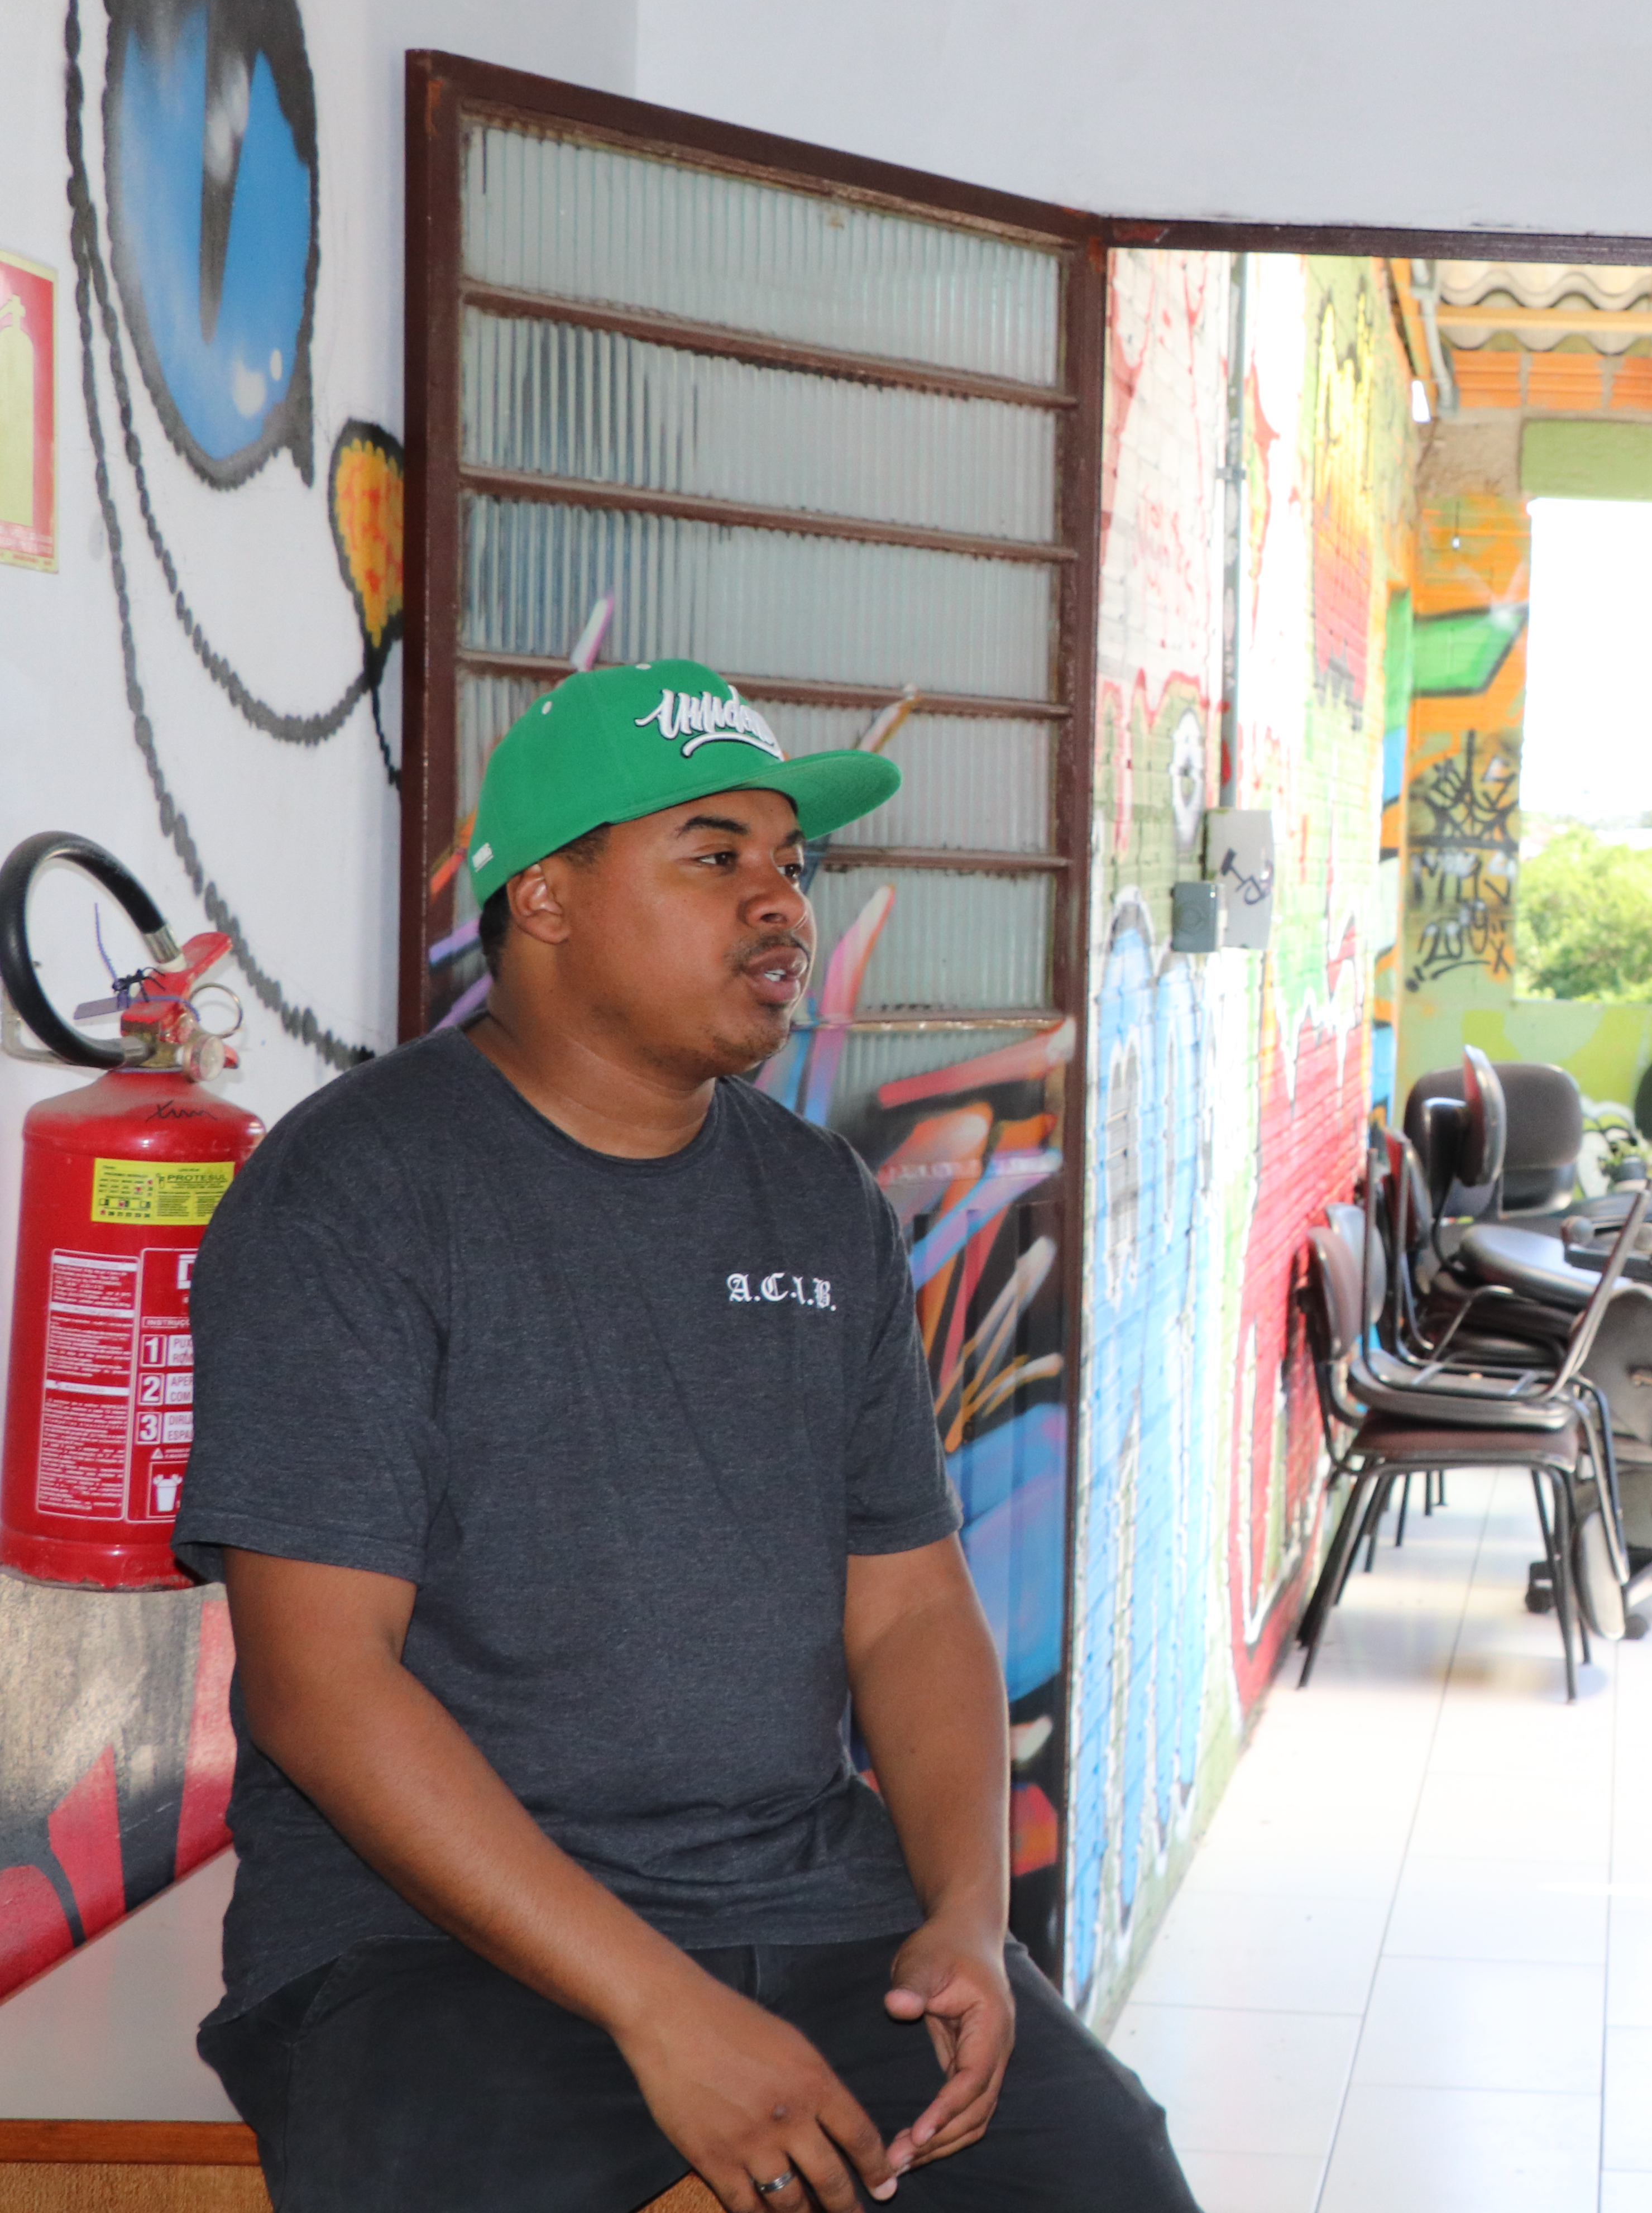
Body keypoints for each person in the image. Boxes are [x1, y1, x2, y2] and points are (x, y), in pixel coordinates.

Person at [173, 661, 1198, 2213]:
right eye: (715, 857)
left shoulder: (822, 1206)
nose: (779, 905)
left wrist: (971, 1920)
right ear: (550, 901)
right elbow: (322, 1689)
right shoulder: (355, 1194)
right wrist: (660, 2008)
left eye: (794, 864)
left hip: (805, 1899)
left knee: (1105, 2169)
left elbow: (913, 1608)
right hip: (427, 1943)